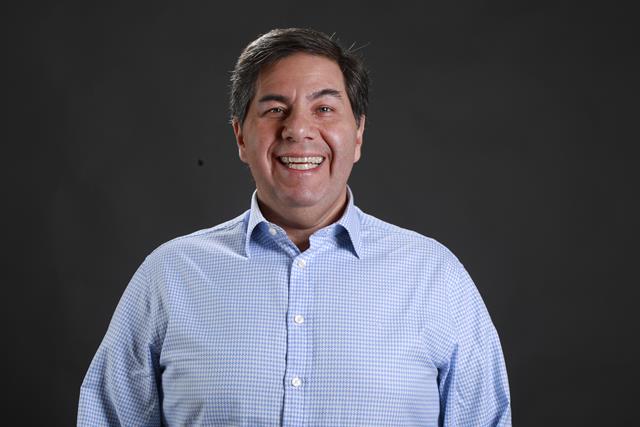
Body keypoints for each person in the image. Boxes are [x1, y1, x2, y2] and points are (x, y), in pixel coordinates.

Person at [78, 28, 511, 426]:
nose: (298, 129)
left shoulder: (435, 277)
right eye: (275, 109)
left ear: (358, 134)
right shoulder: (168, 277)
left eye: (324, 108)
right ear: (240, 137)